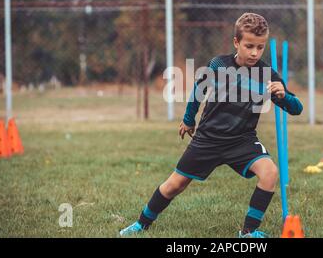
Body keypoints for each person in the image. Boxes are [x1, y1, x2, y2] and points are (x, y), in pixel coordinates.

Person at [119, 13, 303, 238]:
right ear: (236, 42)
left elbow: (296, 108)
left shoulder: (267, 75)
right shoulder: (218, 64)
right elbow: (198, 92)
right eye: (249, 46)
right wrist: (188, 120)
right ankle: (141, 223)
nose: (255, 52)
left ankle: (247, 232)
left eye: (260, 47)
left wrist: (283, 96)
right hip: (208, 138)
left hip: (242, 140)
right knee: (174, 185)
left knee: (270, 173)